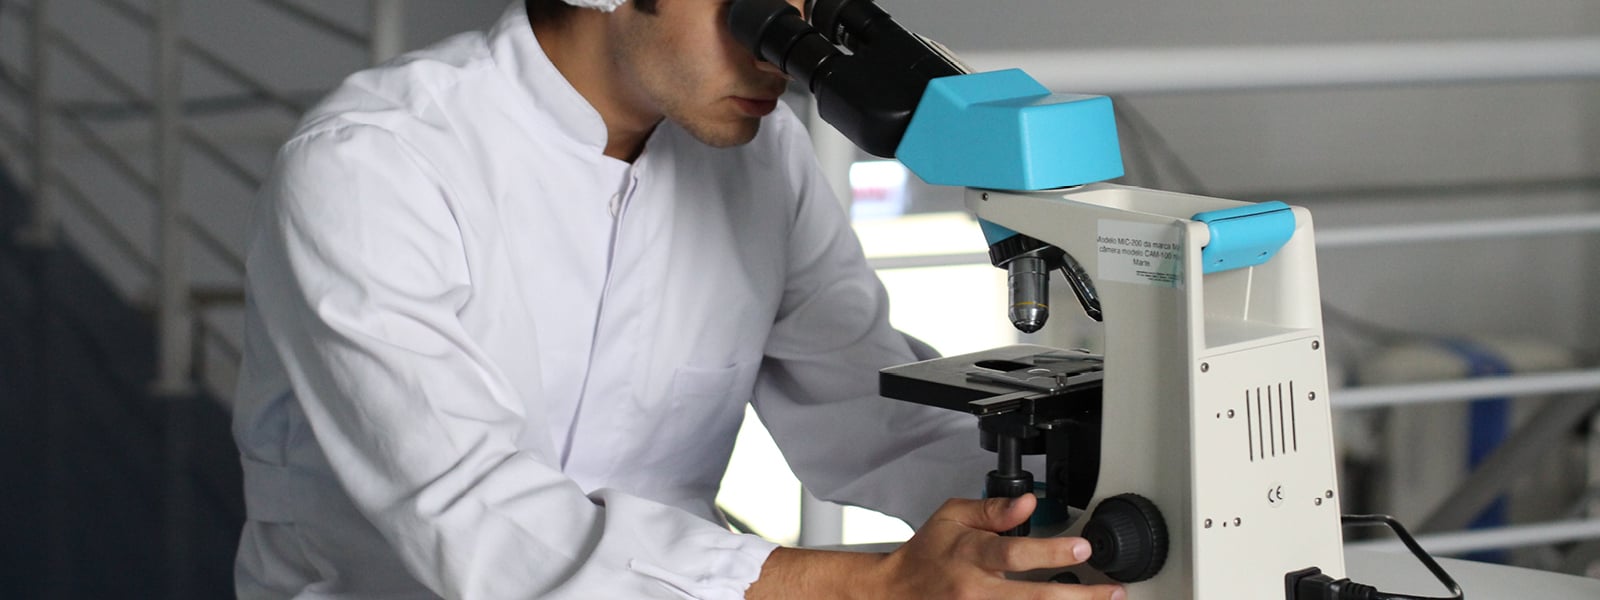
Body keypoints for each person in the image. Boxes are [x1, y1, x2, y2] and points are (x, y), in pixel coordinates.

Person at [232, 0, 1125, 598]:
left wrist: (1061, 519)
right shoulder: (376, 164)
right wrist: (879, 586)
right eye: (758, 6)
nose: (783, 52)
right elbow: (469, 516)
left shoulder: (757, 160)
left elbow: (871, 410)